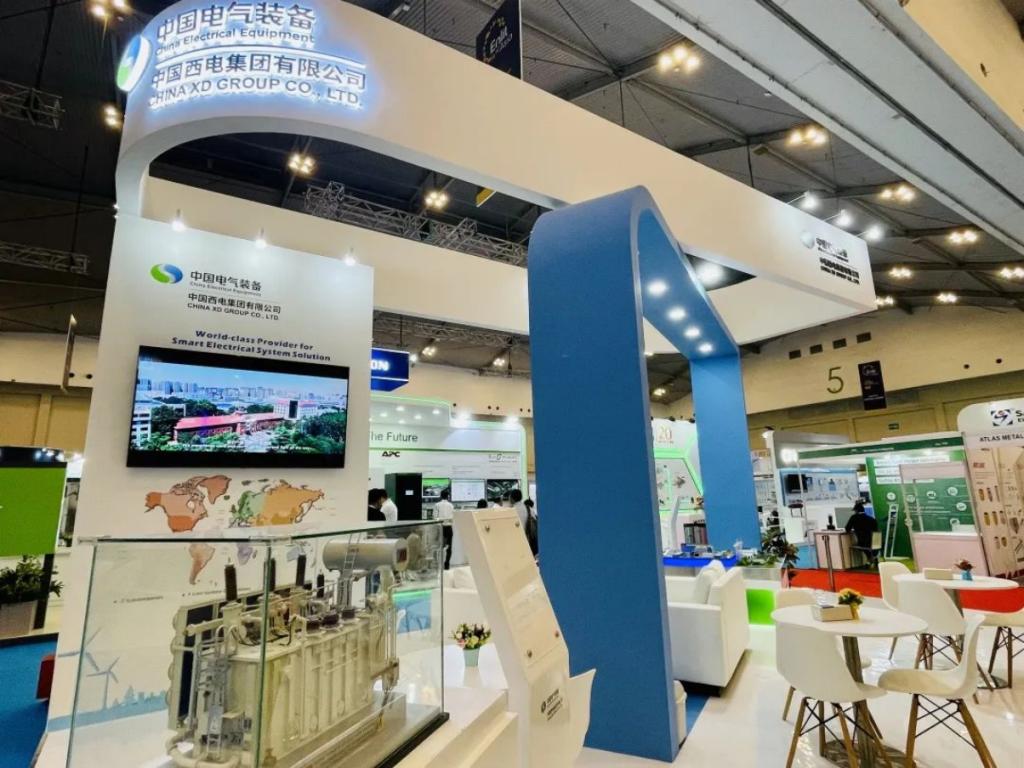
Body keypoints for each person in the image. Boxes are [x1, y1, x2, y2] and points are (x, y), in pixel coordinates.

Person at [435, 489, 455, 569]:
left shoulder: (437, 505)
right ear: (448, 496)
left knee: (439, 547)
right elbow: (453, 518)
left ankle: (438, 565)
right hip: (449, 528)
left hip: (440, 528)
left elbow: (435, 518)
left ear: (440, 496)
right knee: (449, 548)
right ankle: (447, 564)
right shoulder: (451, 505)